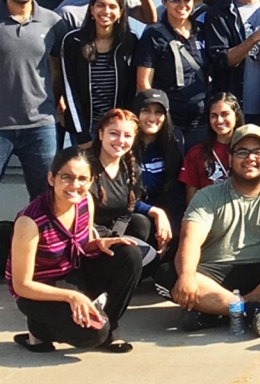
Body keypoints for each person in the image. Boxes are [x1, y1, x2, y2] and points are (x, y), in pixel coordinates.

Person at [156, 125, 260, 335]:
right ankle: (254, 310)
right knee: (167, 276)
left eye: (258, 152)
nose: (250, 158)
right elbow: (190, 240)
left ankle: (214, 312)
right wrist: (186, 276)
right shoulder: (207, 196)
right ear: (230, 159)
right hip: (214, 272)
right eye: (242, 152)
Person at [6, 148, 143, 353]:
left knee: (128, 255)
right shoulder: (30, 222)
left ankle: (109, 326)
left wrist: (98, 244)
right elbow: (22, 285)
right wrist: (71, 297)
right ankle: (39, 328)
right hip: (39, 290)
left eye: (82, 179)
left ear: (90, 182)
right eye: (66, 177)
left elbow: (83, 243)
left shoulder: (85, 200)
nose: (75, 185)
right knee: (93, 335)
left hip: (72, 273)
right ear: (51, 178)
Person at [1, 0, 63, 199]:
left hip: (41, 126)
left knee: (47, 197)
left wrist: (55, 102)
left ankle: (42, 240)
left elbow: (56, 70)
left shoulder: (53, 22)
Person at [57, 0, 137, 146]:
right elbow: (69, 90)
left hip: (117, 126)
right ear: (91, 10)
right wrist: (81, 134)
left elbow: (132, 89)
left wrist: (126, 125)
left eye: (112, 6)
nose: (106, 11)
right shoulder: (73, 41)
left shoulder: (130, 41)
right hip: (85, 126)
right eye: (100, 5)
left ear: (121, 12)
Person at [135, 0, 207, 147]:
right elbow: (143, 83)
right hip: (169, 121)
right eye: (176, 0)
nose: (182, 5)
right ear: (165, 2)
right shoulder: (153, 35)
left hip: (201, 121)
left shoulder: (203, 30)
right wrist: (156, 116)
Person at [88, 109, 169, 261]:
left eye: (127, 136)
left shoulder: (132, 170)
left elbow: (127, 212)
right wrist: (103, 239)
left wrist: (116, 238)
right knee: (131, 255)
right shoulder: (84, 167)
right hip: (85, 236)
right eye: (113, 133)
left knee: (143, 225)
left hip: (111, 232)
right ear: (100, 134)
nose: (120, 140)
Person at [132, 89, 186, 226]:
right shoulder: (124, 144)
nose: (152, 118)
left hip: (164, 214)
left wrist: (173, 227)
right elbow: (119, 196)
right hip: (132, 215)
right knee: (141, 224)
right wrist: (153, 211)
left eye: (158, 112)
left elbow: (176, 192)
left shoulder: (173, 143)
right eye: (146, 111)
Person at [178, 93, 243, 203]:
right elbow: (191, 201)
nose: (219, 120)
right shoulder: (197, 153)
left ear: (236, 116)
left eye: (225, 114)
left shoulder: (250, 151)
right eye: (213, 116)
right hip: (208, 215)